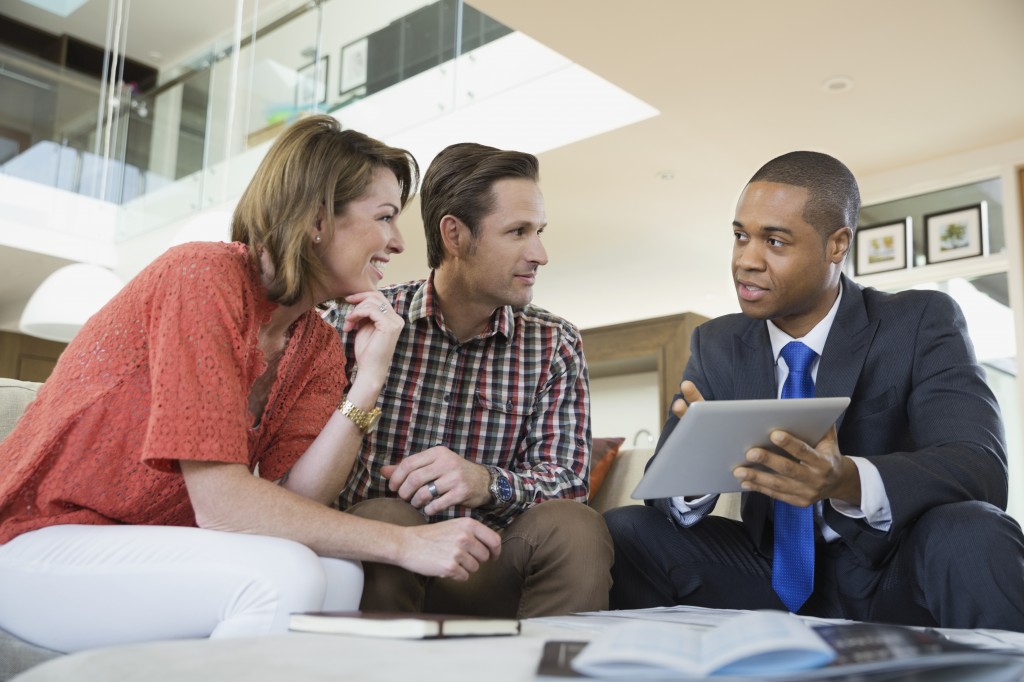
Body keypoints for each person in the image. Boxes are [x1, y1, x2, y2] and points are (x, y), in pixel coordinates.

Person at [0, 115, 501, 653]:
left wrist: (369, 379)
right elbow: (223, 505)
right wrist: (403, 544)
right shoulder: (202, 275)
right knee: (283, 577)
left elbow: (296, 499)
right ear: (315, 219)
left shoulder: (316, 344)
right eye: (384, 217)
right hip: (36, 541)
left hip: (154, 547)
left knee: (339, 575)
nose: (399, 242)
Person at [604, 150, 1024, 631]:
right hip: (765, 571)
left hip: (890, 568)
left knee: (973, 530)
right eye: (740, 236)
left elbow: (979, 466)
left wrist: (843, 478)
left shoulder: (919, 321)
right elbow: (663, 490)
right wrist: (699, 462)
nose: (746, 261)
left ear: (836, 245)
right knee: (629, 530)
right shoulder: (718, 343)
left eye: (775, 242)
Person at [324, 142, 613, 618]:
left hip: (491, 564)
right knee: (385, 512)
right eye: (518, 232)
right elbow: (310, 478)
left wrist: (485, 483)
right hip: (384, 555)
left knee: (574, 525)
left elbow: (567, 483)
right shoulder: (357, 321)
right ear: (454, 235)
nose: (539, 253)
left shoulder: (555, 342)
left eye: (538, 231)